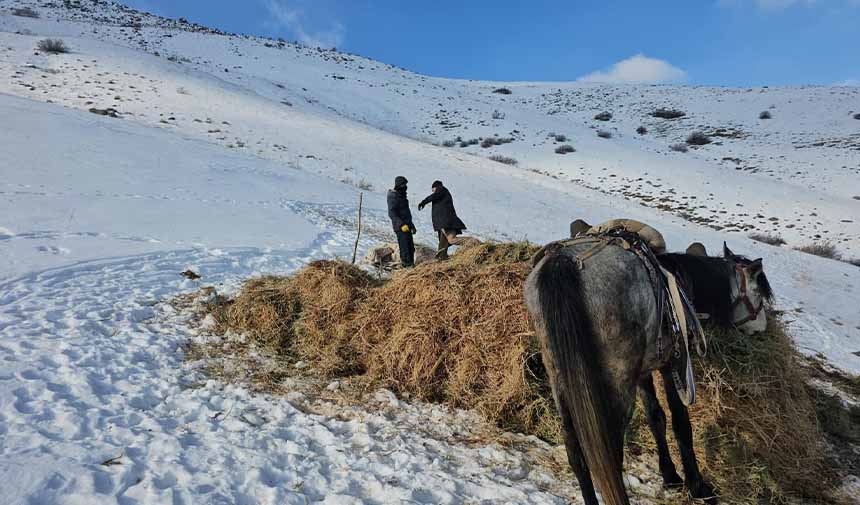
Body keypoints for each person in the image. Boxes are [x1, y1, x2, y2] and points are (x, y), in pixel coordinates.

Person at [418, 180, 467, 260]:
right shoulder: (441, 194)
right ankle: (441, 257)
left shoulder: (441, 190)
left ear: (435, 187)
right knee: (443, 242)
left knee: (451, 240)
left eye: (433, 189)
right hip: (443, 222)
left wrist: (423, 202)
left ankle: (472, 242)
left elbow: (433, 196)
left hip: (446, 222)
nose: (433, 191)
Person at [387, 176, 416, 267]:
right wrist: (401, 224)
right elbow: (392, 213)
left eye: (406, 184)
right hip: (400, 227)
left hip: (407, 226)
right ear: (398, 185)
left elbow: (406, 213)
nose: (405, 186)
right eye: (403, 184)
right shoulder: (393, 196)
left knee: (411, 247)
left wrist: (411, 225)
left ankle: (411, 265)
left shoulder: (402, 196)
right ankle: (406, 267)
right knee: (405, 248)